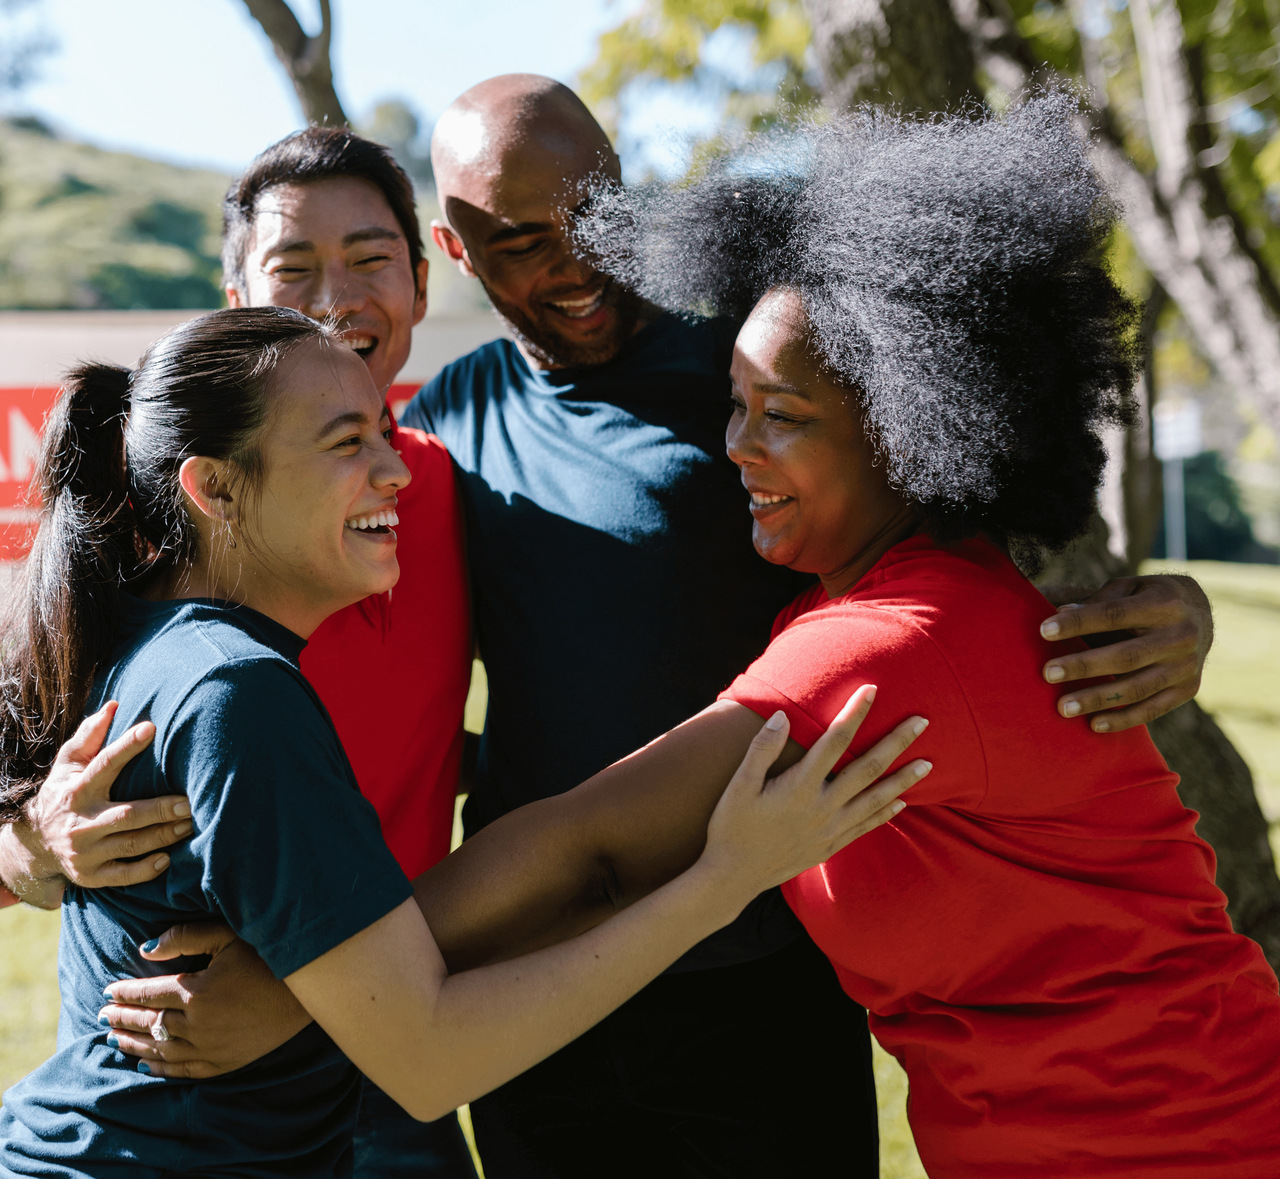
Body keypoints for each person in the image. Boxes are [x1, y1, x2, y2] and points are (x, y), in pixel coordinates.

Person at [2, 86, 1219, 1179]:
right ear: (457, 255)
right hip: (486, 974)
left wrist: (1174, 606)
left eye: (593, 213)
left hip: (745, 975)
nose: (571, 262)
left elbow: (955, 549)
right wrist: (34, 834)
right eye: (516, 240)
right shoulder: (407, 458)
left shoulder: (760, 365)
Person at [0, 306, 921, 1178]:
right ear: (216, 489)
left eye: (384, 434)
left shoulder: (157, 639)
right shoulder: (235, 691)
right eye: (345, 443)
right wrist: (725, 878)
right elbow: (431, 1057)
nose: (394, 471)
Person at [548, 95, 1279, 1175]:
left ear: (909, 424)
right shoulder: (869, 596)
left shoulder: (897, 636)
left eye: (781, 416)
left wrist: (318, 965)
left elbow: (587, 850)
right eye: (734, 404)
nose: (733, 446)